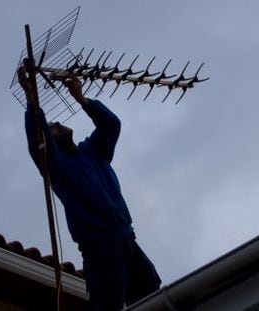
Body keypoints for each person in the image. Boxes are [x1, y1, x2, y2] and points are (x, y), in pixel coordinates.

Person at [18, 66, 161, 310]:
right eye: (52, 127)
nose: (58, 124)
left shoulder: (93, 151)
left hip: (126, 238)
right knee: (108, 304)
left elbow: (111, 125)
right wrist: (32, 101)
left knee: (150, 289)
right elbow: (38, 145)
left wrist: (81, 99)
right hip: (101, 248)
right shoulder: (59, 168)